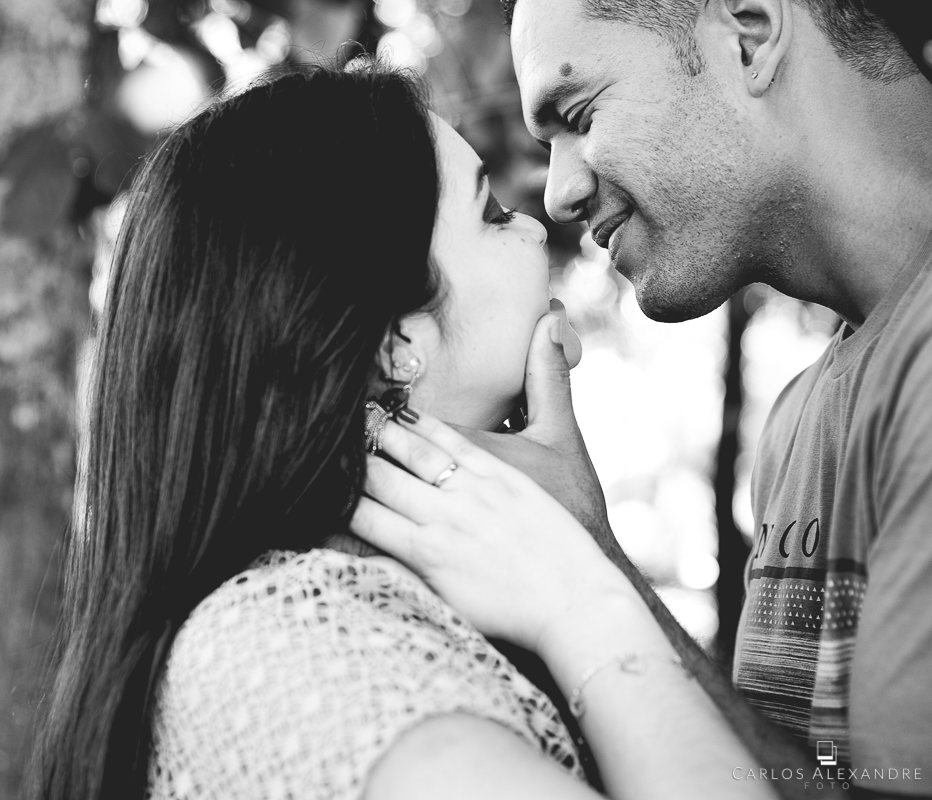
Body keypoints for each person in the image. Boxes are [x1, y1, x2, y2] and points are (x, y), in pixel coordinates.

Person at [25, 66, 780, 800]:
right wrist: (585, 603)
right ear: (395, 343)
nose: (536, 222)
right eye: (489, 214)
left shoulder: (378, 619)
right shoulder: (296, 650)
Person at [355, 0, 932, 796]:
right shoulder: (801, 420)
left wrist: (589, 567)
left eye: (580, 113)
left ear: (750, 36)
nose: (555, 195)